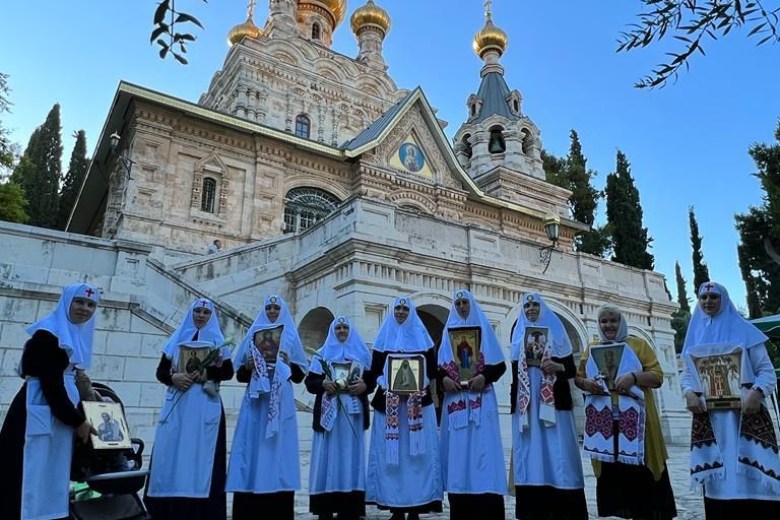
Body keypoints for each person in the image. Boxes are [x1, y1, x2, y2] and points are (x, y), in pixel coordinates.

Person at [0, 283, 100, 520]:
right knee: (28, 475)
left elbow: (72, 377)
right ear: (66, 303)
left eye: (90, 304)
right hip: (38, 412)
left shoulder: (71, 333)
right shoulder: (48, 334)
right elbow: (52, 386)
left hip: (55, 415)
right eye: (79, 302)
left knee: (49, 473)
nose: (85, 308)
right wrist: (78, 421)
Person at [681, 281, 780, 518]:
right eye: (703, 298)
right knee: (719, 479)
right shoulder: (695, 333)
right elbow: (687, 374)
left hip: (746, 414)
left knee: (753, 474)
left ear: (723, 299)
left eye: (714, 297)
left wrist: (757, 392)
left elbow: (766, 371)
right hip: (710, 418)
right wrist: (688, 392)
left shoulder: (744, 330)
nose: (708, 301)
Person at [575, 304, 677, 519]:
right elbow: (579, 376)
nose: (608, 325)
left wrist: (634, 377)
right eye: (604, 321)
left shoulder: (638, 345)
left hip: (638, 425)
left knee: (641, 476)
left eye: (613, 320)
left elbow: (657, 376)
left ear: (621, 323)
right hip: (606, 425)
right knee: (615, 477)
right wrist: (586, 383)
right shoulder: (592, 348)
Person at [144, 298, 234, 520]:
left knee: (201, 459)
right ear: (191, 313)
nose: (201, 315)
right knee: (170, 454)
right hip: (179, 405)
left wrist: (207, 374)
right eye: (197, 311)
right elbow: (161, 372)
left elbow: (228, 372)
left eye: (205, 312)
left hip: (205, 405)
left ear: (211, 316)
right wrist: (173, 377)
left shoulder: (218, 341)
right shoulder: (177, 339)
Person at [226, 295, 309, 520]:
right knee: (252, 448)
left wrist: (288, 362)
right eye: (269, 307)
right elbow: (240, 375)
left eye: (276, 307)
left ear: (282, 310)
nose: (272, 311)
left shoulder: (290, 335)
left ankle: (277, 506)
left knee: (278, 449)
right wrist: (248, 366)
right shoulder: (253, 334)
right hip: (256, 401)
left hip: (280, 399)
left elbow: (300, 375)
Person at [509, 292, 588, 520]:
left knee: (559, 450)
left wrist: (558, 367)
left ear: (542, 307)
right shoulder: (519, 335)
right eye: (527, 306)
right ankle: (533, 509)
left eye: (535, 305)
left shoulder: (557, 333)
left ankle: (564, 507)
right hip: (527, 406)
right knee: (531, 452)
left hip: (555, 404)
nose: (531, 309)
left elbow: (571, 369)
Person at [365, 296, 443, 520]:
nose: (400, 312)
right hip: (389, 405)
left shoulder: (423, 341)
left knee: (417, 456)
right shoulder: (383, 340)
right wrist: (386, 385)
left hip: (418, 405)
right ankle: (396, 507)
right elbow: (374, 371)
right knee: (393, 458)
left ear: (411, 312)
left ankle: (416, 507)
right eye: (397, 308)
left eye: (405, 308)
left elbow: (432, 372)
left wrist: (416, 387)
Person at [438, 289, 507, 520]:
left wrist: (484, 377)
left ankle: (487, 507)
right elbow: (438, 368)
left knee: (483, 451)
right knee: (458, 454)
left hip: (481, 400)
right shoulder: (447, 334)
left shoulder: (484, 329)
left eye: (464, 302)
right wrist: (444, 380)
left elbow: (499, 365)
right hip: (456, 402)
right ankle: (461, 507)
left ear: (471, 304)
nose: (461, 306)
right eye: (457, 303)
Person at [305, 316, 374, 520]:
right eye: (338, 327)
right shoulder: (322, 355)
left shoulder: (362, 354)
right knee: (327, 457)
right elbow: (310, 383)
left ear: (351, 331)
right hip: (328, 415)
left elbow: (371, 381)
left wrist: (364, 386)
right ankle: (325, 507)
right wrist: (323, 384)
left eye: (345, 327)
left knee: (352, 457)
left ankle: (350, 507)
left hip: (353, 414)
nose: (341, 330)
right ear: (332, 331)